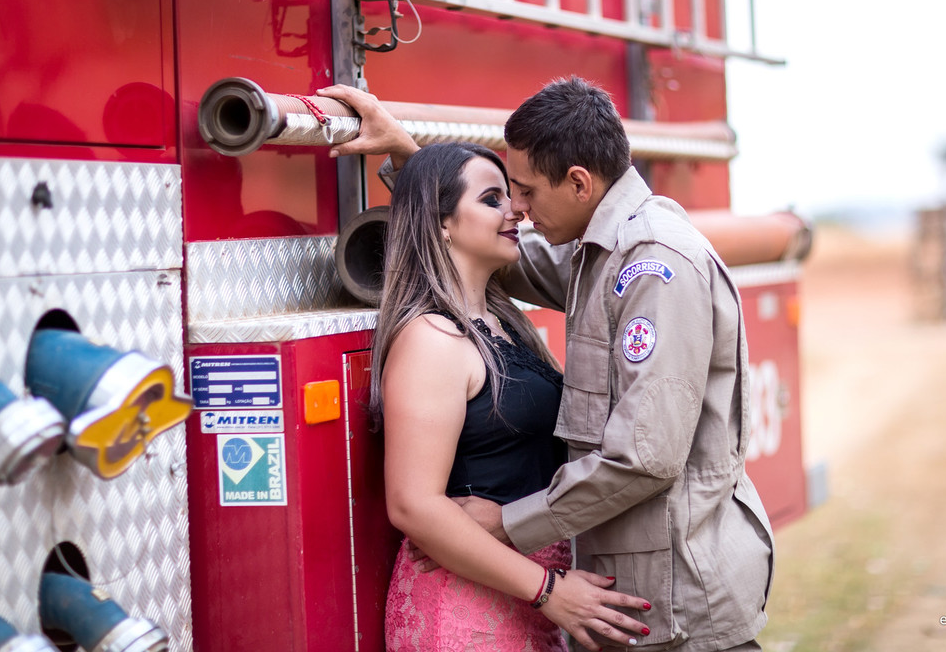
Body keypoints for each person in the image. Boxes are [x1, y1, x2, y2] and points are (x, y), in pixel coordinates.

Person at [322, 78, 774, 652]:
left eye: (525, 191)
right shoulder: (600, 254)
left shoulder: (651, 262)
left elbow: (646, 457)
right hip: (621, 595)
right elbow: (479, 243)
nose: (519, 209)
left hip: (676, 594)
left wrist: (508, 525)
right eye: (502, 196)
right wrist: (413, 162)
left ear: (579, 183)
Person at [367, 140, 651, 652]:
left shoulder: (505, 325)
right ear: (441, 223)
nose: (515, 210)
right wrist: (547, 590)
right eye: (493, 198)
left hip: (527, 596)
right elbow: (413, 505)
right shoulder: (432, 339)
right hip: (467, 611)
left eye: (513, 197)